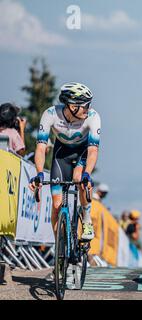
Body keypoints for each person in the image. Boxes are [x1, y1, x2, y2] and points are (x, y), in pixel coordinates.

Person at [29, 82, 101, 246]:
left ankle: (87, 222)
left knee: (79, 179)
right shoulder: (50, 114)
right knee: (56, 205)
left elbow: (93, 151)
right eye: (85, 105)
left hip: (82, 152)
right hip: (61, 155)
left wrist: (87, 174)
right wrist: (40, 173)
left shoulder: (93, 117)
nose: (88, 108)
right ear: (72, 106)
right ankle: (60, 249)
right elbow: (40, 148)